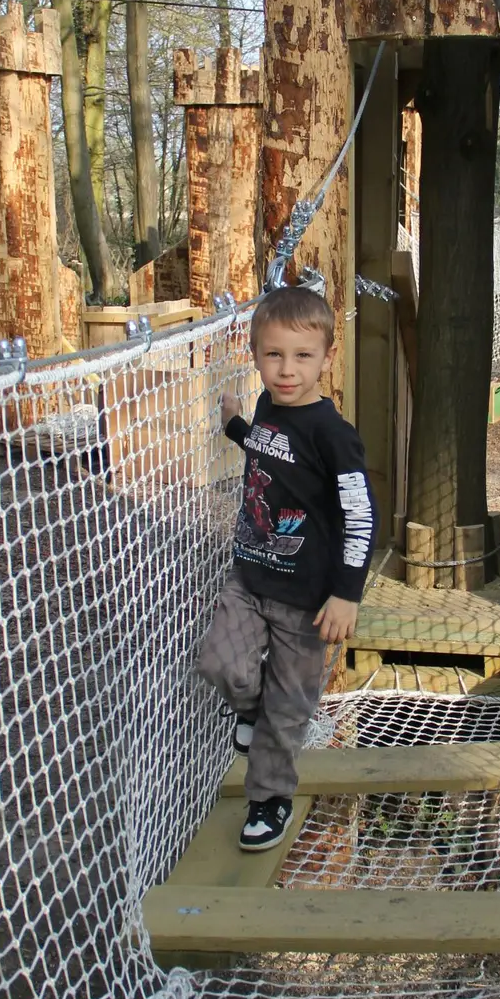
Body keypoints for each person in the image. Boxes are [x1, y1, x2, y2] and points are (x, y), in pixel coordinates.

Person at [197, 284, 378, 852]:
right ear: (254, 354)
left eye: (302, 356)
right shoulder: (268, 407)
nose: (286, 370)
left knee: (289, 706)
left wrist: (347, 593)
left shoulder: (335, 436)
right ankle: (249, 713)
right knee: (222, 665)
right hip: (250, 578)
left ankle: (269, 799)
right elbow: (270, 450)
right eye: (273, 354)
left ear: (327, 356)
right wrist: (234, 426)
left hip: (308, 602)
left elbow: (360, 514)